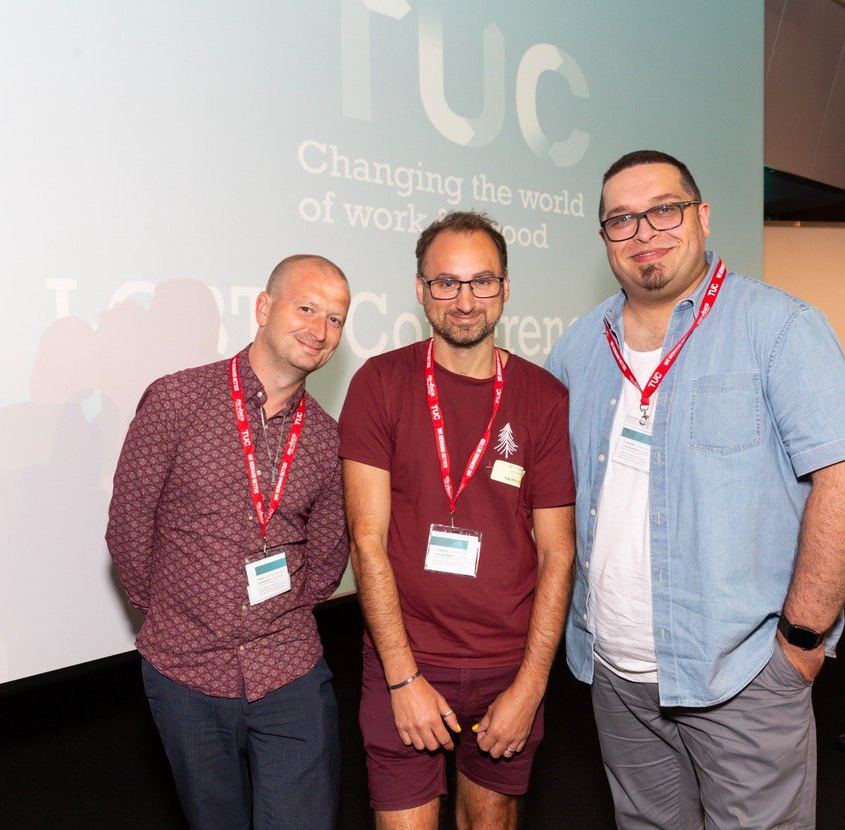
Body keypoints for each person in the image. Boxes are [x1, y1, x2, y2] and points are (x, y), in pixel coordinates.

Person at [545, 150, 845, 829]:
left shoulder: (779, 328)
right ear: (605, 238)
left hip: (743, 675)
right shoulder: (578, 349)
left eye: (663, 210)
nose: (643, 232)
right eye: (621, 220)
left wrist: (800, 642)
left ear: (701, 217)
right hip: (616, 674)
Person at [340, 212, 576, 829]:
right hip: (408, 656)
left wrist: (530, 688)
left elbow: (558, 554)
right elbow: (367, 543)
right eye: (446, 283)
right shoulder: (379, 383)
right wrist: (401, 678)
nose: (464, 300)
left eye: (482, 282)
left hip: (508, 663)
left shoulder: (544, 397)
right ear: (420, 290)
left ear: (505, 288)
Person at [106, 255, 352, 830]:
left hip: (289, 670)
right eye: (307, 308)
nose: (319, 330)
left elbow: (325, 559)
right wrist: (182, 613)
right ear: (265, 308)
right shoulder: (176, 401)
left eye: (336, 319)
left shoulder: (323, 437)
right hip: (186, 674)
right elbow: (128, 528)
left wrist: (276, 616)